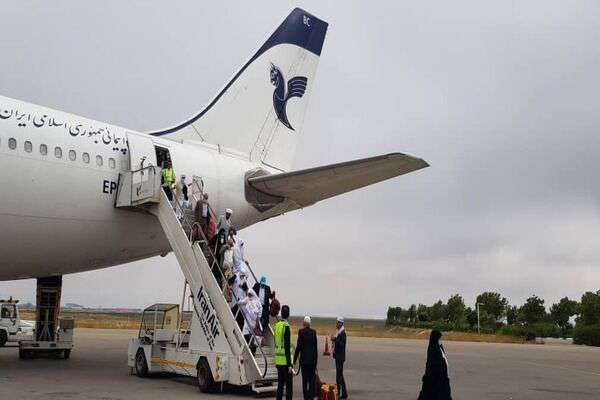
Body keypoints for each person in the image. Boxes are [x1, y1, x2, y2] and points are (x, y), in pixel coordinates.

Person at [418, 330, 452, 400]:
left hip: (439, 373)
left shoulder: (437, 346)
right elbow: (433, 361)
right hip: (435, 373)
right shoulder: (433, 347)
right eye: (439, 337)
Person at [294, 316, 318, 400]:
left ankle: (305, 397)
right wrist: (316, 362)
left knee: (304, 381)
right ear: (310, 324)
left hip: (304, 362)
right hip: (312, 362)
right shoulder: (313, 332)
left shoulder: (301, 332)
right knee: (311, 381)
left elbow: (298, 347)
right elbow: (315, 349)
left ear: (304, 323)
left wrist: (294, 360)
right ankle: (310, 397)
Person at [275, 305, 293, 400]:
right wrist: (289, 364)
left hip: (278, 361)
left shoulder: (277, 326)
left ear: (281, 314)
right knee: (289, 387)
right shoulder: (286, 327)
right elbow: (286, 347)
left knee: (280, 385)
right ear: (288, 314)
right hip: (285, 362)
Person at [239, 289, 263, 353]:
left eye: (250, 295)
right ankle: (249, 347)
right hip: (248, 322)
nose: (249, 296)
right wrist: (239, 301)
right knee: (245, 334)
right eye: (248, 295)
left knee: (254, 337)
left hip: (254, 322)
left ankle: (253, 349)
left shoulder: (257, 301)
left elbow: (260, 310)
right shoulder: (248, 299)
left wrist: (258, 316)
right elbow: (242, 302)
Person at [331, 316, 348, 399]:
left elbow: (342, 344)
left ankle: (340, 393)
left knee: (339, 376)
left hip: (340, 357)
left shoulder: (343, 333)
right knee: (340, 375)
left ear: (341, 323)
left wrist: (335, 339)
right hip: (338, 356)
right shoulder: (339, 332)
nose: (336, 324)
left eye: (338, 322)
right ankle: (344, 393)